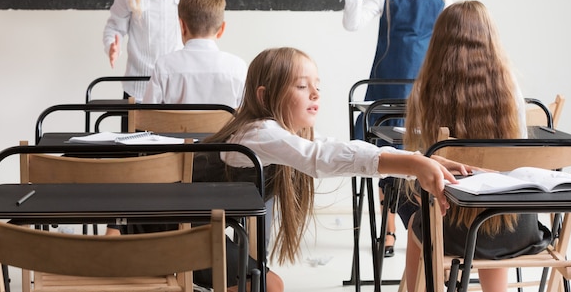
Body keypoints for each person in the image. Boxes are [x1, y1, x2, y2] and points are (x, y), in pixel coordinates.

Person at [202, 46, 471, 289]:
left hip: (197, 229)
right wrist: (413, 163)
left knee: (270, 284)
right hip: (174, 231)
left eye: (317, 85)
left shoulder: (278, 137)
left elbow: (340, 148)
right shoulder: (259, 133)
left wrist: (421, 158)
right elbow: (320, 157)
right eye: (301, 86)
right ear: (265, 96)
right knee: (271, 286)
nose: (315, 93)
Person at [403, 1, 552, 292]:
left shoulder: (425, 91)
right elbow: (516, 153)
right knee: (491, 220)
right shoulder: (510, 90)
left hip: (450, 227)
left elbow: (423, 161)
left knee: (417, 224)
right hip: (516, 229)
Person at [342, 0, 452, 256]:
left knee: (422, 158)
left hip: (425, 97)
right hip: (386, 92)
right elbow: (352, 24)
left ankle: (424, 223)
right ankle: (387, 228)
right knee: (386, 159)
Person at [142, 0, 247, 108]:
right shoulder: (238, 68)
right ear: (222, 29)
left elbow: (146, 116)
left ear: (182, 26)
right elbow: (247, 118)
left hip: (174, 128)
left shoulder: (164, 66)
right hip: (225, 128)